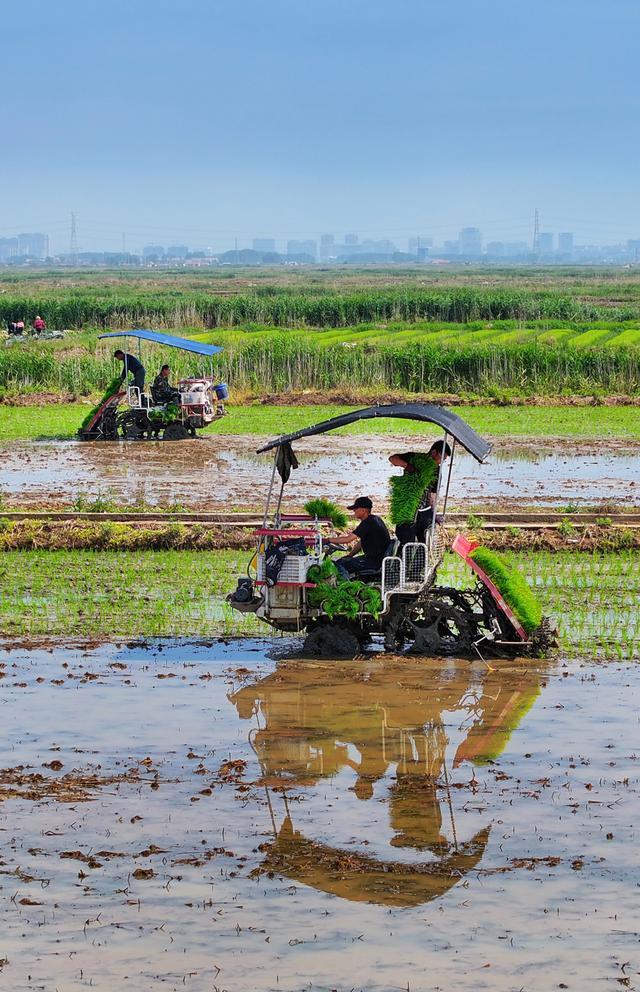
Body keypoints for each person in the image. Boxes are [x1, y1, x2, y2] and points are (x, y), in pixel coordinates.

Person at [389, 441, 452, 545]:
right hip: (407, 508)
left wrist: (434, 514)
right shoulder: (415, 458)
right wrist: (408, 466)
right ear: (434, 452)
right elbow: (392, 459)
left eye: (444, 460)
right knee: (405, 541)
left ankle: (422, 555)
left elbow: (433, 495)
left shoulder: (436, 470)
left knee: (424, 543)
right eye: (441, 458)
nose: (440, 462)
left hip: (424, 511)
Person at [331, 496, 390, 579]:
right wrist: (350, 555)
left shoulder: (368, 522)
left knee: (339, 564)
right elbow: (361, 543)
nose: (354, 511)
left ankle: (344, 584)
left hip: (373, 562)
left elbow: (348, 539)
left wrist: (328, 540)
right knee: (343, 561)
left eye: (356, 508)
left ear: (364, 510)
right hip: (376, 559)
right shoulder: (374, 519)